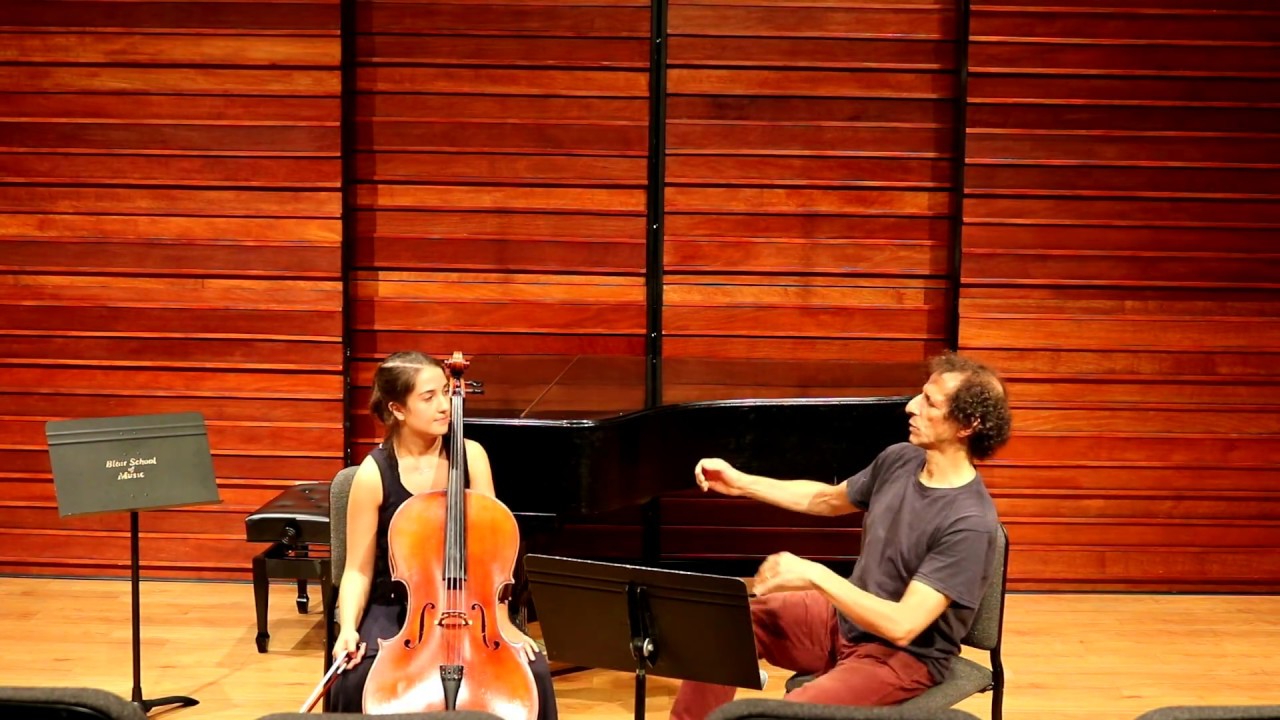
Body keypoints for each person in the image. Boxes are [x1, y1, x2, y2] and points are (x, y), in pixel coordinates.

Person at [670, 352, 1012, 719]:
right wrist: (741, 484)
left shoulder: (969, 522)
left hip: (902, 658)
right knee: (727, 625)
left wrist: (816, 575)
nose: (911, 406)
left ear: (967, 424)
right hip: (845, 621)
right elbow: (826, 499)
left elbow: (902, 625)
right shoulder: (900, 459)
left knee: (783, 715)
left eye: (930, 401)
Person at [329, 351, 557, 718]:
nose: (444, 406)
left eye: (447, 393)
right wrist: (348, 628)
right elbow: (356, 570)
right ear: (397, 409)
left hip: (474, 603)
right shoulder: (373, 475)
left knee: (535, 672)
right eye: (429, 397)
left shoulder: (472, 456)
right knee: (354, 679)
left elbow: (493, 557)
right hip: (397, 606)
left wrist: (501, 622)